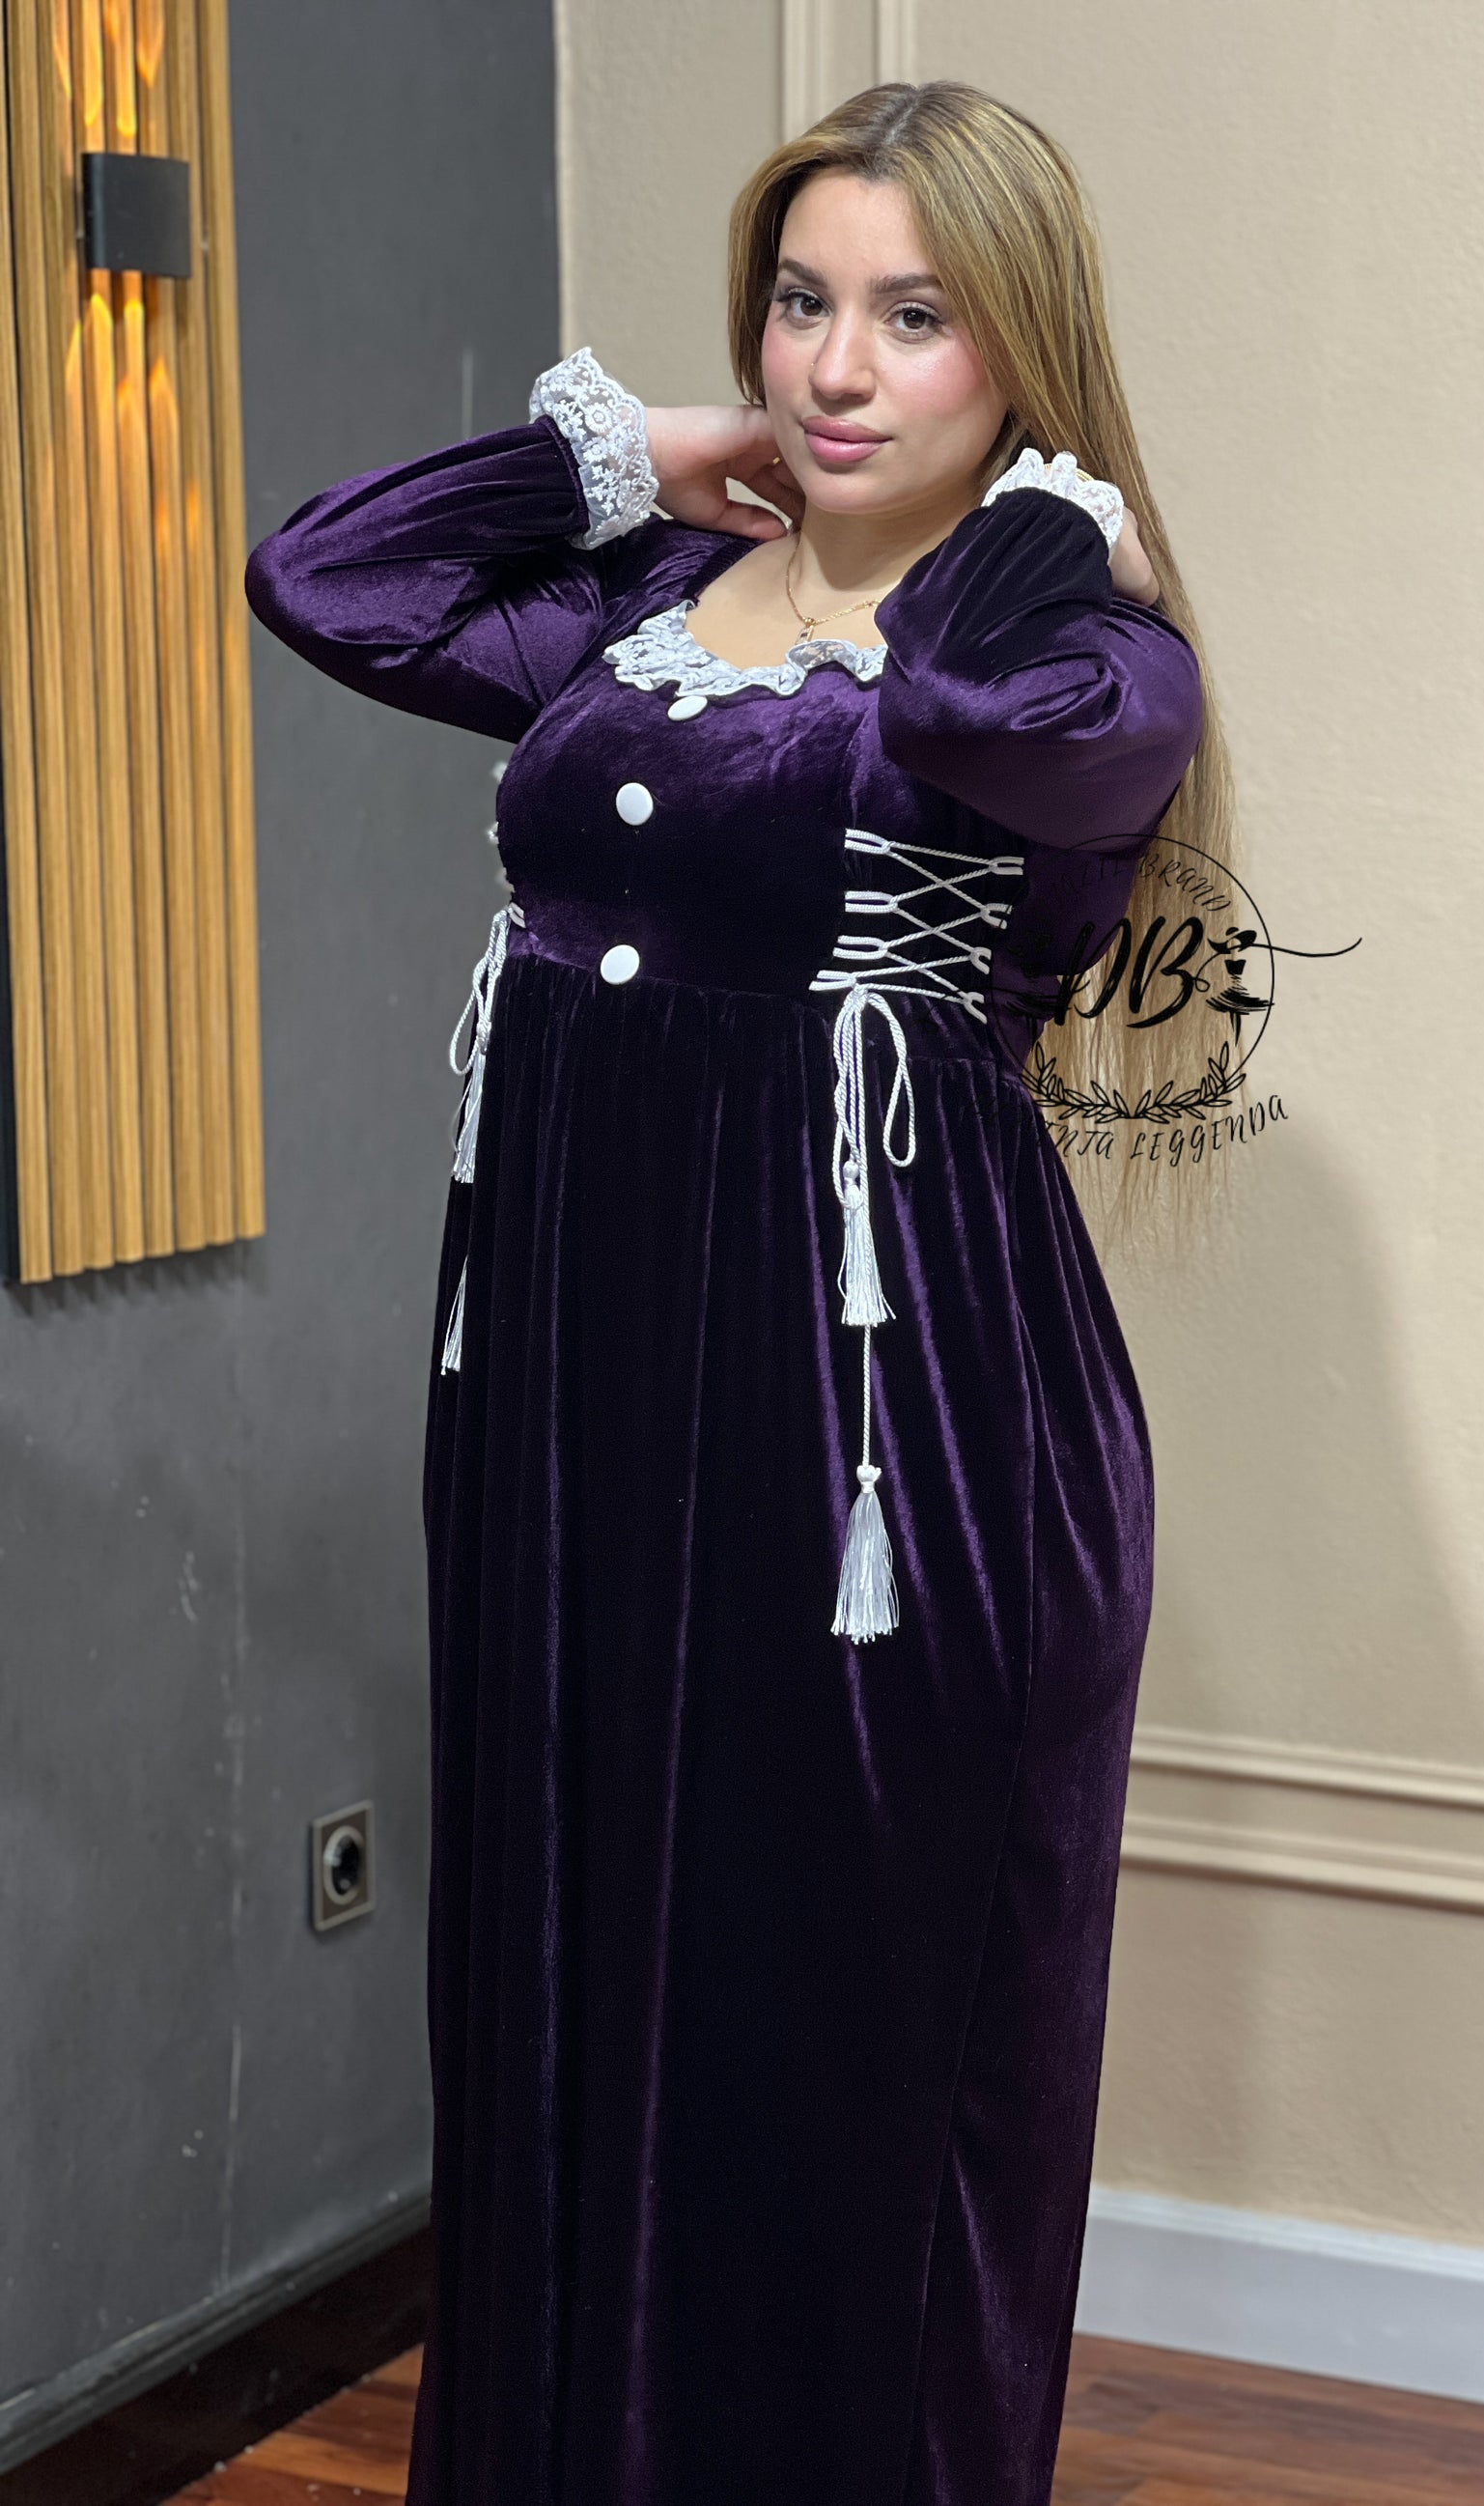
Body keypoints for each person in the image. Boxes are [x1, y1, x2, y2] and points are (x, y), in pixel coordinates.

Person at [246, 75, 1224, 2506]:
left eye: (916, 316)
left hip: (890, 1440)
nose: (836, 367)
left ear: (1022, 354)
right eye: (801, 303)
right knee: (573, 1970)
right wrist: (632, 456)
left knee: (831, 2034)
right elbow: (323, 578)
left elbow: (969, 718)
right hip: (580, 1400)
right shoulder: (643, 613)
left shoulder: (1088, 660)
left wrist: (1026, 526)